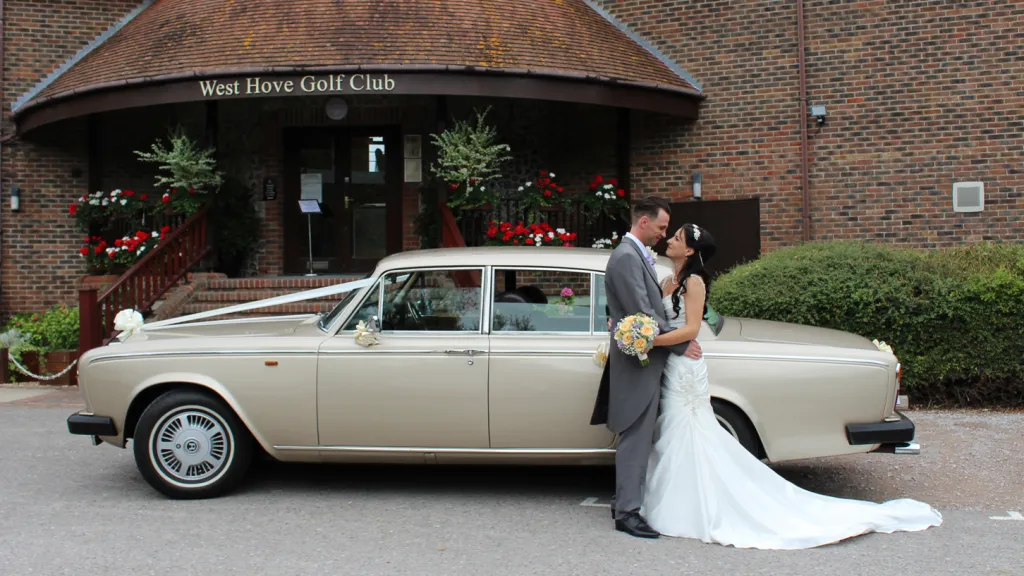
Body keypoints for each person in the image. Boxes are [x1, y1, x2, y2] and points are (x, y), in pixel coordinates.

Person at [638, 222, 943, 548]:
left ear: (689, 251)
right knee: (673, 429)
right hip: (673, 365)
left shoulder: (694, 283)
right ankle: (684, 495)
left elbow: (691, 329)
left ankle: (696, 503)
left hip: (686, 366)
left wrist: (650, 342)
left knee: (689, 429)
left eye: (677, 238)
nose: (669, 240)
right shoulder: (667, 279)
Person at [595, 197, 702, 539]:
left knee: (639, 436)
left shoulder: (636, 254)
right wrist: (683, 341)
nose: (664, 234)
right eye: (661, 227)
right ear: (643, 223)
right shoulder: (627, 257)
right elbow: (643, 311)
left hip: (648, 359)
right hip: (638, 364)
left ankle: (625, 500)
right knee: (636, 436)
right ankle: (627, 512)